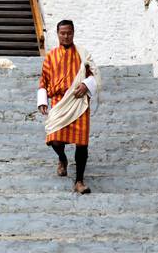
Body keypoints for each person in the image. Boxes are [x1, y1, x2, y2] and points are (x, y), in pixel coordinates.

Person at [37, 20, 101, 194]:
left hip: (79, 102)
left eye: (69, 33)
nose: (66, 36)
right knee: (54, 139)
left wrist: (86, 85)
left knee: (82, 143)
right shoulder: (50, 57)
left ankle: (79, 181)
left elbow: (94, 74)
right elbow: (44, 81)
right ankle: (62, 158)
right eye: (62, 33)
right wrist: (42, 100)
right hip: (59, 101)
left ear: (73, 33)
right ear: (57, 34)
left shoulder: (83, 55)